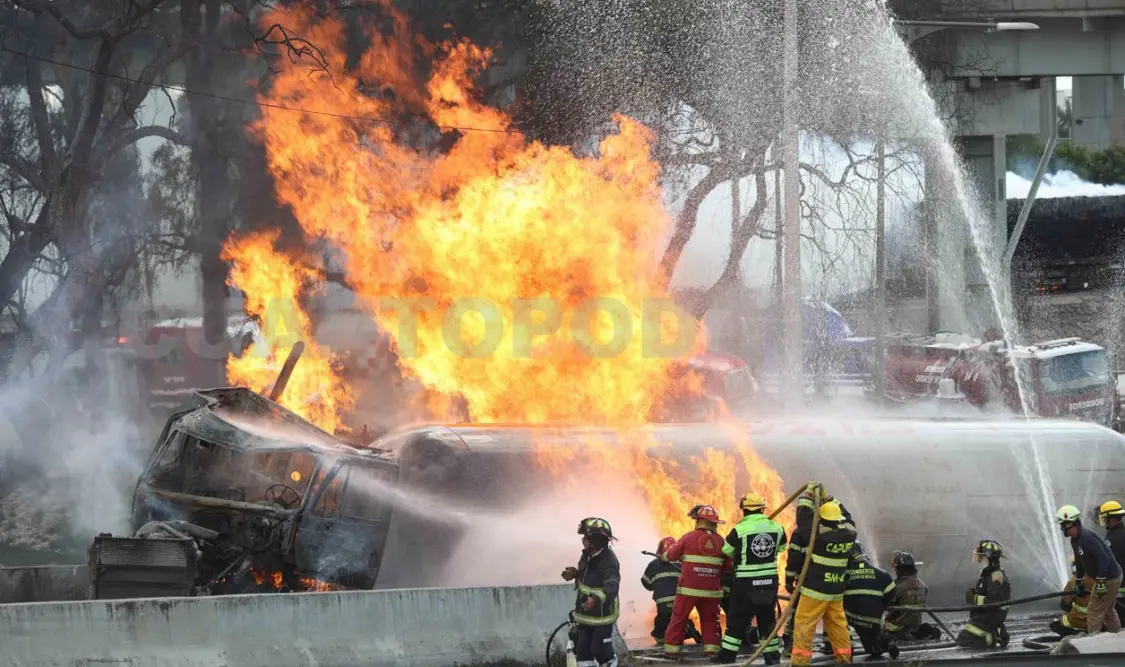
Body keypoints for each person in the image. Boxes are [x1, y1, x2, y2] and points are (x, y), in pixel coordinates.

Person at [715, 493, 788, 665]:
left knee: (736, 620)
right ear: (762, 509)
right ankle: (772, 657)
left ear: (744, 510)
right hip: (769, 583)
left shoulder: (739, 530)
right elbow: (783, 547)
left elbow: (726, 551)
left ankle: (727, 657)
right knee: (767, 621)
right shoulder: (777, 527)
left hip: (745, 584)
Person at [784, 483, 854, 655]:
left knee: (804, 623)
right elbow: (848, 517)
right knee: (838, 625)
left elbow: (803, 520)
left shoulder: (817, 535)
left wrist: (807, 497)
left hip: (815, 589)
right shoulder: (849, 533)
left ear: (821, 518)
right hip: (836, 589)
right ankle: (844, 658)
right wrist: (828, 498)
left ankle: (800, 662)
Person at [662, 504, 730, 660]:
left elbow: (671, 555)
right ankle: (711, 651)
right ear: (715, 523)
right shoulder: (721, 541)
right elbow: (728, 566)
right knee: (710, 621)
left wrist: (664, 557)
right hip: (712, 592)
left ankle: (672, 652)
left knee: (679, 618)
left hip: (688, 590)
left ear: (699, 520)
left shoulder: (689, 537)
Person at [561, 517, 621, 667]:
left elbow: (612, 586)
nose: (583, 540)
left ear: (595, 541)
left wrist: (595, 599)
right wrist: (576, 574)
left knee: (600, 650)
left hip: (601, 615)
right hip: (585, 615)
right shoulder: (588, 555)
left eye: (586, 537)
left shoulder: (609, 561)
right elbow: (590, 575)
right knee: (582, 651)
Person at [1058, 504, 1123, 633]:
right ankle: (1117, 639)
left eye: (1062, 524)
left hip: (1110, 577)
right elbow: (1080, 562)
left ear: (1069, 524)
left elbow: (1103, 559)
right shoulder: (1075, 540)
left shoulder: (1087, 538)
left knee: (1094, 610)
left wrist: (1100, 582)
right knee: (1108, 611)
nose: (1061, 528)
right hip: (1109, 577)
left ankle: (1094, 644)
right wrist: (1079, 580)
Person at [843, 542, 900, 660]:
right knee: (875, 650)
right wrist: (879, 606)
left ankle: (847, 644)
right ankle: (887, 641)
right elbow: (892, 594)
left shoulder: (843, 575)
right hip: (873, 618)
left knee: (835, 619)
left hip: (851, 617)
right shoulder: (882, 574)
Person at [642, 536, 701, 647]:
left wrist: (657, 586)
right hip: (680, 601)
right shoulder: (682, 564)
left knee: (662, 623)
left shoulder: (653, 564)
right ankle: (689, 630)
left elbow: (645, 582)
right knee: (679, 619)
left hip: (662, 604)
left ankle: (661, 640)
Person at [955, 540, 1011, 648]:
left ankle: (995, 636)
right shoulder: (988, 574)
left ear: (988, 557)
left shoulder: (996, 576)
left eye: (981, 556)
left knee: (964, 640)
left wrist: (974, 598)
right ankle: (996, 633)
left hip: (990, 619)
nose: (978, 559)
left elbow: (993, 602)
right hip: (983, 617)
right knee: (963, 638)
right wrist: (975, 595)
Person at [884, 551, 942, 642]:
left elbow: (886, 602)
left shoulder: (896, 587)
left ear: (898, 569)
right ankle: (923, 633)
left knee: (882, 635)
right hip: (915, 626)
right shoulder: (922, 585)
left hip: (898, 627)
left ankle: (889, 640)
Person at [1051, 555, 1093, 637]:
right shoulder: (1101, 578)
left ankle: (1076, 635)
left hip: (1083, 621)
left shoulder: (1073, 581)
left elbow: (1064, 605)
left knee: (1056, 623)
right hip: (1103, 620)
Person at [1098, 500, 1125, 620]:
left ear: (1112, 519)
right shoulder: (1113, 535)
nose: (1103, 521)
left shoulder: (1116, 537)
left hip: (1119, 589)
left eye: (1104, 518)